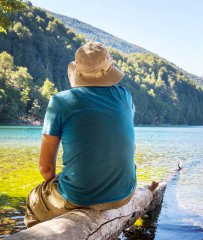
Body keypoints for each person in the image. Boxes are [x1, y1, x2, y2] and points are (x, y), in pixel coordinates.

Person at [24, 41, 137, 228]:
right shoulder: (125, 96)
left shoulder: (60, 102)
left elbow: (46, 169)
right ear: (109, 68)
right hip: (124, 193)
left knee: (34, 199)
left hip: (79, 197)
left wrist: (76, 189)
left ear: (77, 71)